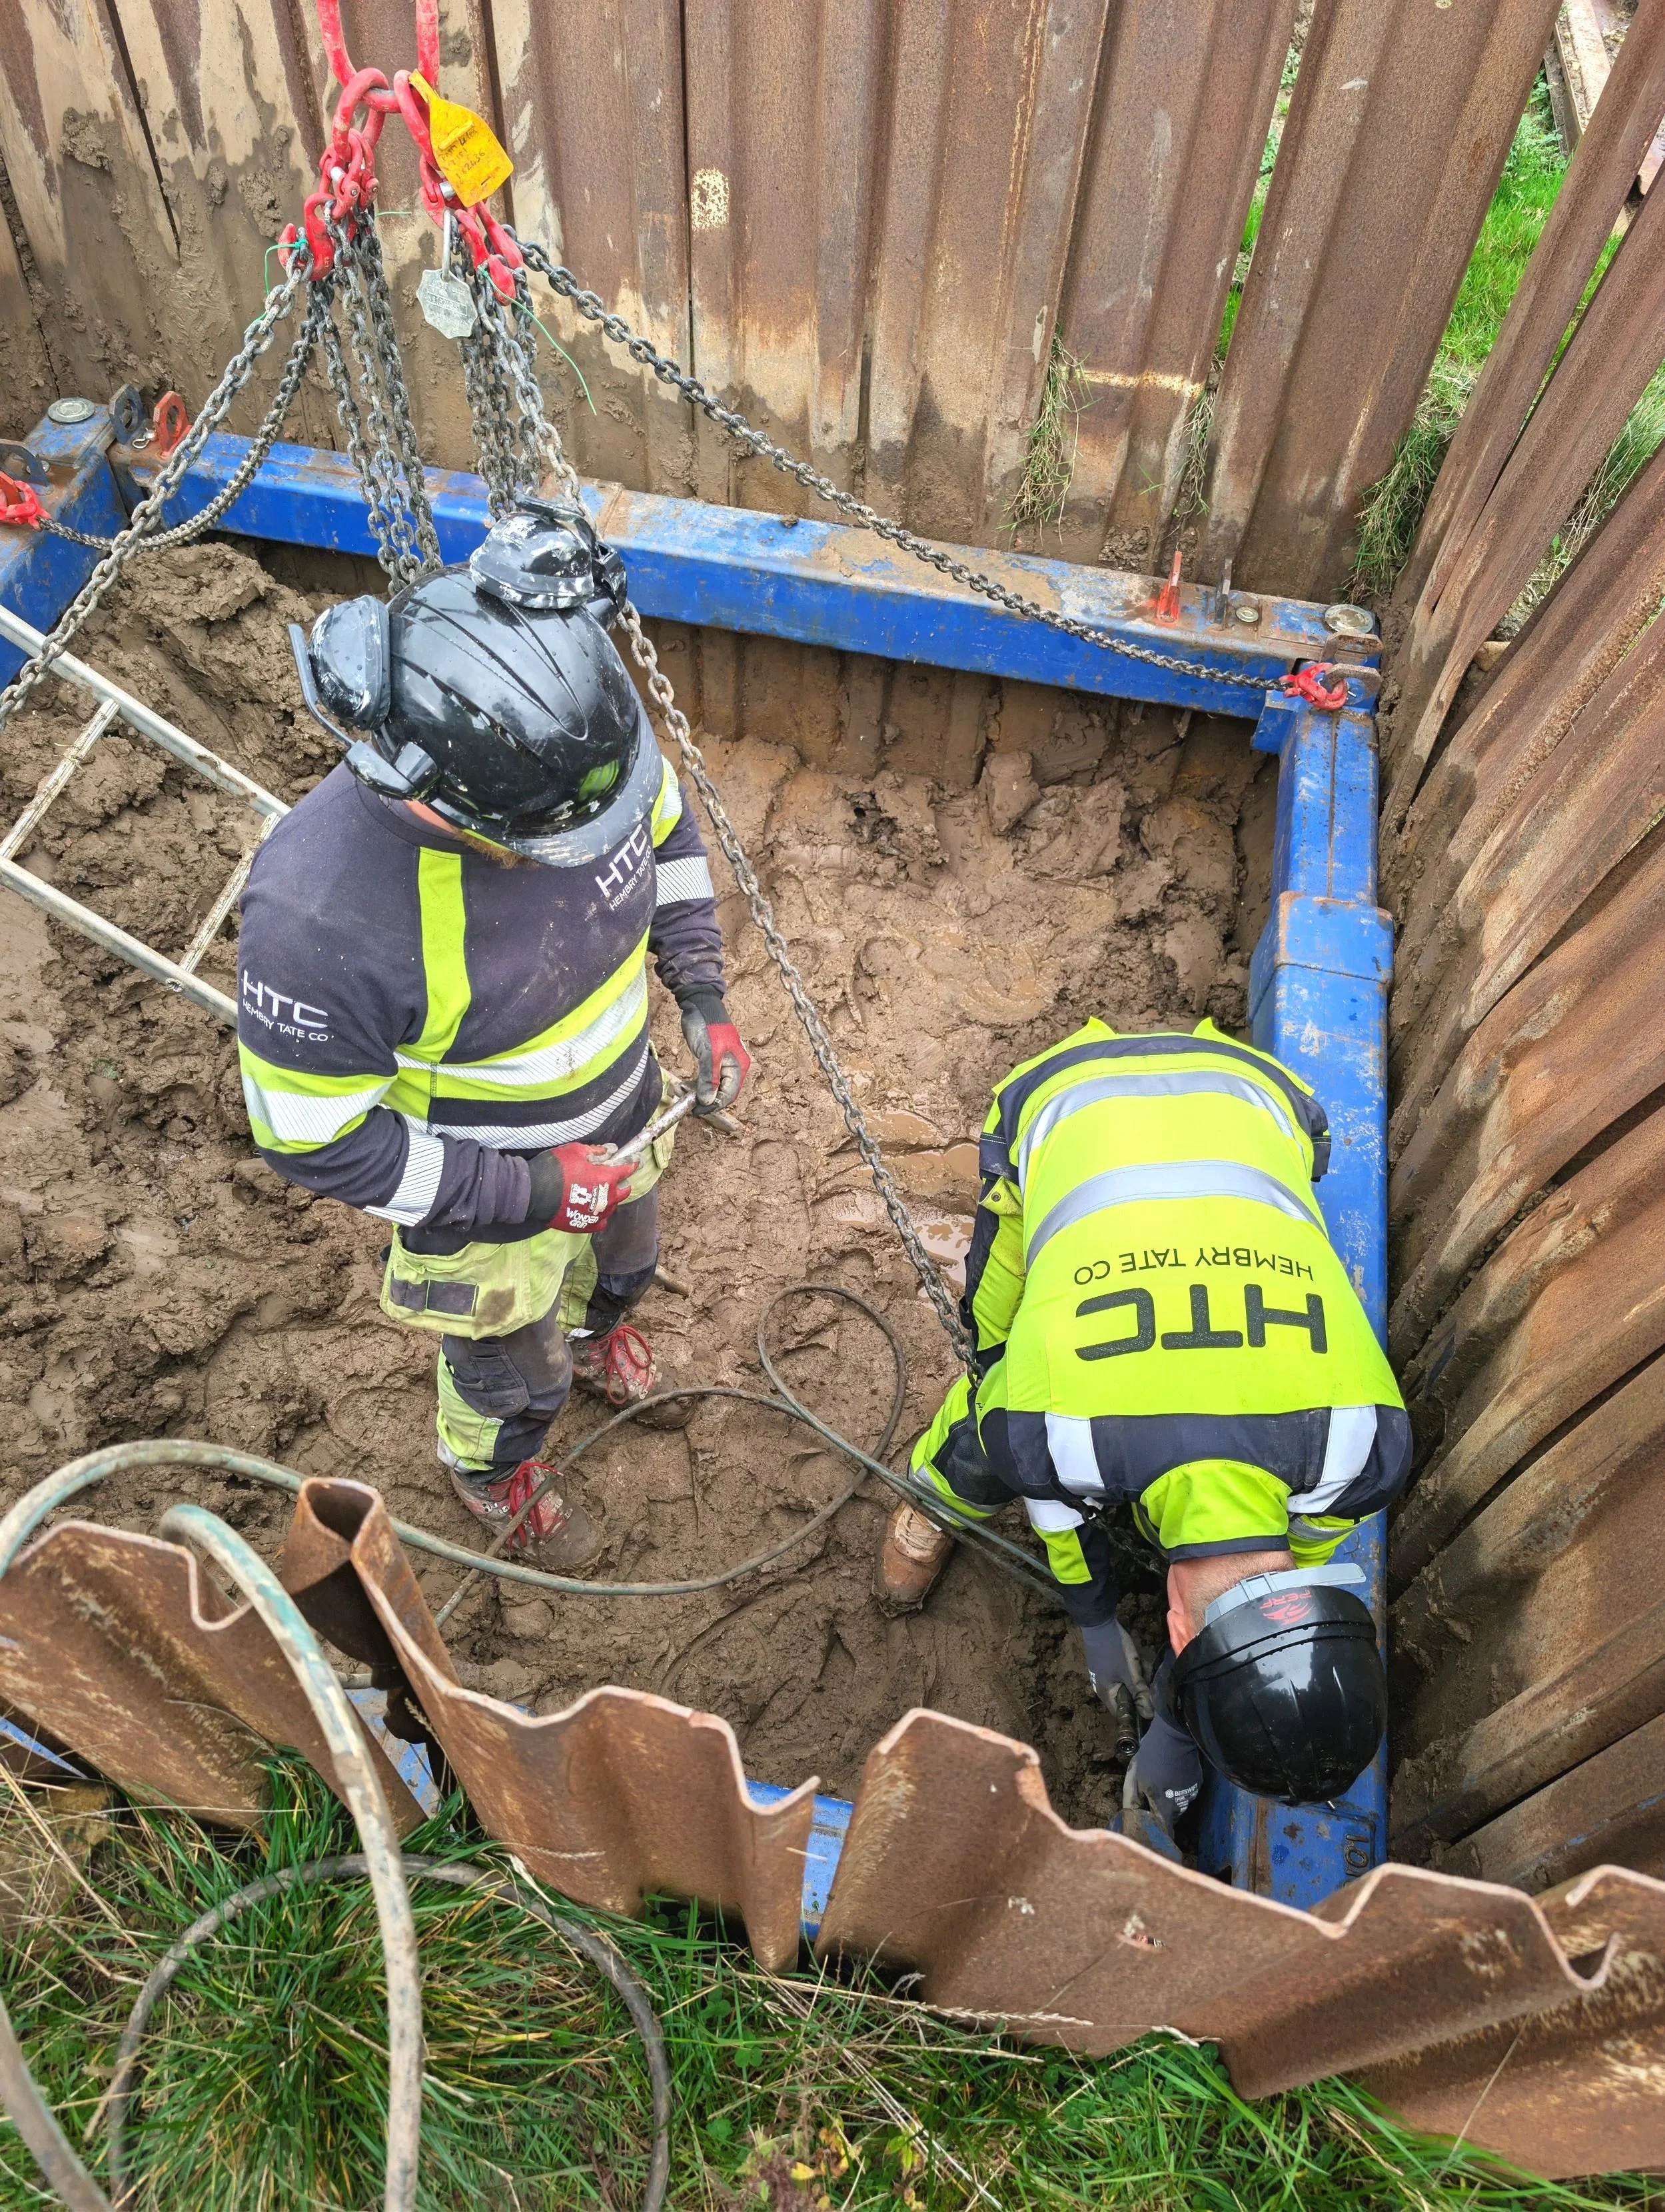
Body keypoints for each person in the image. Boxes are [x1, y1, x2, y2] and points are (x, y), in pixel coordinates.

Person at [236, 503, 750, 1568]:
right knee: (519, 1375)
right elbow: (312, 1139)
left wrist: (701, 991)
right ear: (445, 799)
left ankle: (601, 1328)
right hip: (483, 1197)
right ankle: (489, 1467)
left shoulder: (578, 762)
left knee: (628, 1263)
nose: (583, 849)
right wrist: (528, 1190)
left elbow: (666, 840)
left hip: (623, 1115)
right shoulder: (321, 915)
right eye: (553, 843)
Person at [875, 1016, 1409, 1833]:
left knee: (1028, 1380)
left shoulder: (1366, 1447)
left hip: (1263, 1093)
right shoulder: (1051, 1432)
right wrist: (1093, 1621)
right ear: (1172, 1625)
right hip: (1061, 1094)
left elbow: (1277, 1583)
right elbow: (1063, 1529)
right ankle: (933, 1503)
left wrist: (1172, 1713)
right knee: (993, 1359)